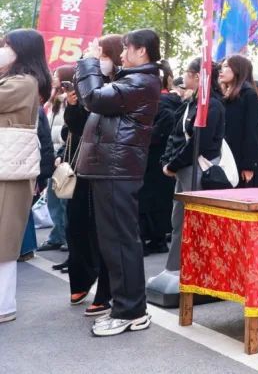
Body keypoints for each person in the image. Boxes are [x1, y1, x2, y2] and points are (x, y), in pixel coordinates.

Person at [74, 29, 162, 337]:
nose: (121, 55)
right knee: (116, 241)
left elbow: (94, 98)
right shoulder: (134, 80)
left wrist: (88, 63)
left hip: (118, 169)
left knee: (120, 242)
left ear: (142, 51)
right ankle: (128, 308)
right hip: (114, 168)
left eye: (126, 49)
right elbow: (93, 100)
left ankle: (131, 311)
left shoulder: (141, 81)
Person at [65, 34, 122, 316]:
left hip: (110, 167)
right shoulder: (90, 87)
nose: (100, 61)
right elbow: (75, 128)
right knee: (76, 224)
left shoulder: (120, 87)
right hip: (83, 165)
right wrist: (73, 105)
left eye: (103, 55)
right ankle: (81, 278)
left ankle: (106, 292)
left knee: (105, 232)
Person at [0, 29, 53, 324]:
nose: (3, 50)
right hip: (8, 168)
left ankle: (3, 305)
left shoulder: (23, 82)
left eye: (7, 45)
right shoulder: (18, 80)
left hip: (11, 171)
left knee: (4, 240)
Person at [161, 58, 226, 273]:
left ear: (198, 76)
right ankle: (175, 268)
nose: (184, 76)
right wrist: (169, 161)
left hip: (197, 168)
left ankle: (197, 270)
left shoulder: (212, 105)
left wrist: (174, 164)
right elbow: (177, 135)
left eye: (187, 72)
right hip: (183, 168)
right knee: (179, 221)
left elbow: (199, 142)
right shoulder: (192, 102)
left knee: (196, 222)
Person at [140, 61, 181, 255]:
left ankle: (147, 239)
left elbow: (150, 133)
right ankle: (158, 239)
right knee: (159, 200)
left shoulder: (156, 105)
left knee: (144, 200)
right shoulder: (175, 104)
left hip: (150, 158)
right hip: (164, 159)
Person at [38, 66, 74, 252]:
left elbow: (67, 129)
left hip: (63, 154)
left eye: (56, 75)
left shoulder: (69, 100)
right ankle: (57, 235)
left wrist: (61, 152)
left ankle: (67, 237)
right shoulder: (53, 100)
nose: (53, 78)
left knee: (64, 199)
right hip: (52, 153)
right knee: (53, 199)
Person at [219, 55, 258, 187]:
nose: (221, 70)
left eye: (226, 66)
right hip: (224, 154)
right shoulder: (224, 94)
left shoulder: (248, 94)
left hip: (239, 157)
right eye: (222, 67)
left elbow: (252, 130)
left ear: (238, 69)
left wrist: (248, 165)